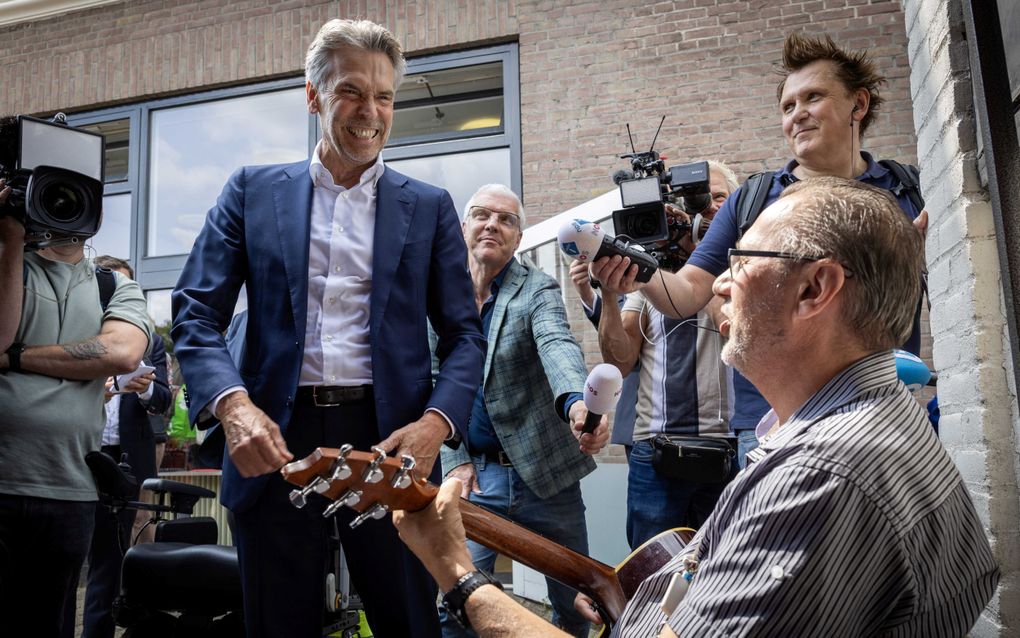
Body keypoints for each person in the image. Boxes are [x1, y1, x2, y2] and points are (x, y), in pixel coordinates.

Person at [392, 177, 999, 637]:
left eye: (741, 261)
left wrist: (458, 574)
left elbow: (560, 353)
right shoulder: (870, 416)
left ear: (816, 290)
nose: (718, 283)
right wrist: (638, 592)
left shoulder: (817, 478)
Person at [170, 19, 485, 638]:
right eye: (351, 91)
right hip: (275, 443)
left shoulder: (428, 206)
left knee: (410, 621)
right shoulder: (251, 192)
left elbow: (464, 337)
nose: (371, 112)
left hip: (389, 442)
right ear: (313, 96)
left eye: (385, 96)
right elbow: (196, 312)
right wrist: (233, 407)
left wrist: (435, 424)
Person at [592, 32, 929, 468]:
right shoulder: (754, 198)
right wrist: (636, 269)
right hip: (772, 417)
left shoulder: (908, 190)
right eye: (788, 106)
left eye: (813, 97)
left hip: (882, 405)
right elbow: (690, 291)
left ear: (858, 105)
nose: (798, 115)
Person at [0, 119, 153, 638]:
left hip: (68, 490)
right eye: (51, 193)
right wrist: (11, 237)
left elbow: (122, 352)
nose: (63, 206)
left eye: (74, 194)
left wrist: (18, 359)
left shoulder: (115, 286)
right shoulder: (9, 265)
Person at [439, 184, 609, 638]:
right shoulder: (442, 295)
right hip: (475, 478)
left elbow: (557, 344)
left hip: (547, 478)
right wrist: (454, 462)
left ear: (518, 237)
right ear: (464, 227)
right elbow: (437, 382)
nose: (492, 224)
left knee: (576, 604)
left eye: (506, 219)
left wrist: (577, 403)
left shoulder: (537, 288)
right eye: (482, 215)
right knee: (456, 603)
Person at [596, 161, 737, 548]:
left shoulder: (742, 267)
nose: (703, 210)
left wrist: (702, 260)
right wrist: (609, 293)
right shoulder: (652, 278)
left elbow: (733, 324)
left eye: (716, 198)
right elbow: (619, 361)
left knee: (722, 569)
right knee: (650, 573)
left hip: (728, 448)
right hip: (656, 453)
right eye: (695, 201)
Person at [80, 256, 172, 638]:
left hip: (129, 456)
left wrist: (147, 387)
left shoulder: (150, 341)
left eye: (127, 290)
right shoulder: (77, 332)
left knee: (120, 552)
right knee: (86, 550)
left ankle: (119, 627)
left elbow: (164, 400)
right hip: (84, 451)